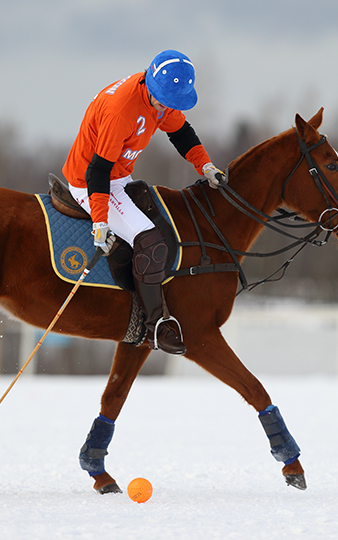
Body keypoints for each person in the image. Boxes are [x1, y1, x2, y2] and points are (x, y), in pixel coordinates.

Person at [62, 49, 224, 355]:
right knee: (151, 241)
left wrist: (205, 165)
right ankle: (154, 328)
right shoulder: (121, 110)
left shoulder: (159, 97)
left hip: (118, 177)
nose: (166, 109)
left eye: (172, 104)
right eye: (164, 102)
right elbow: (98, 170)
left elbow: (181, 133)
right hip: (91, 181)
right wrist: (99, 220)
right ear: (150, 84)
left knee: (168, 222)